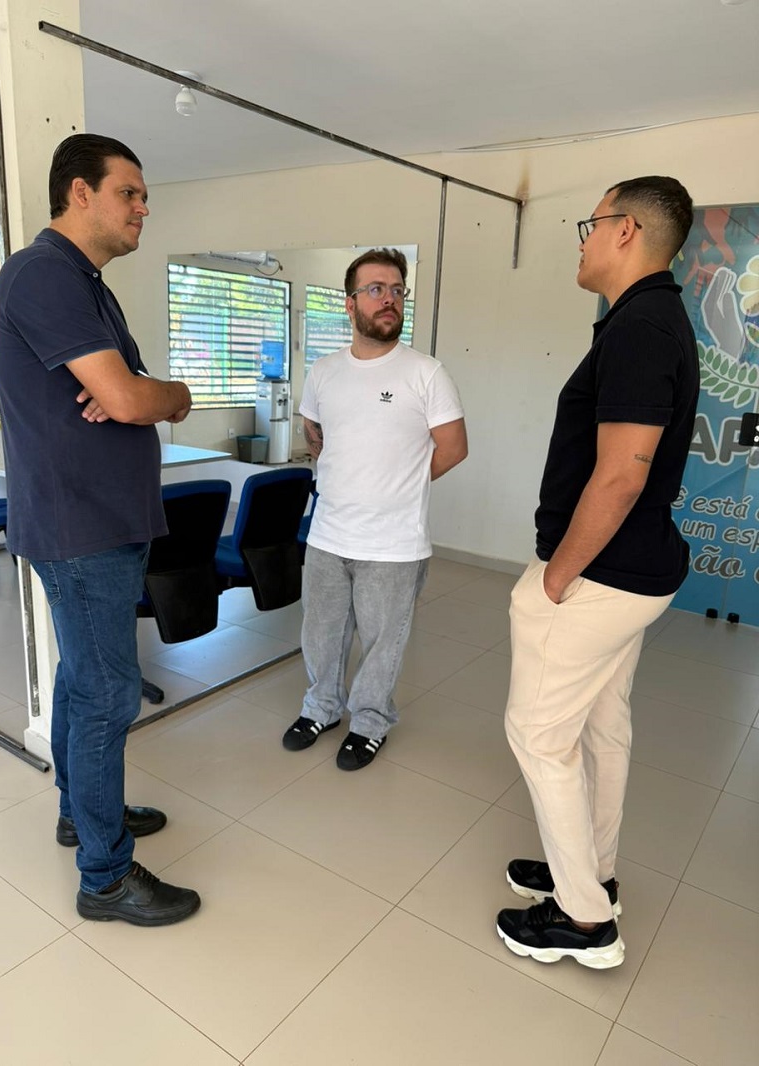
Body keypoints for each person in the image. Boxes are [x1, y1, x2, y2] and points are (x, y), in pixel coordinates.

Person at [0, 134, 200, 926]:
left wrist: (135, 393)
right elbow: (128, 397)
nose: (143, 208)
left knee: (83, 680)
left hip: (99, 519)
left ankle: (81, 814)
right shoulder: (44, 274)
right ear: (80, 193)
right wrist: (168, 395)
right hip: (82, 526)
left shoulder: (84, 281)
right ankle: (105, 877)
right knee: (109, 692)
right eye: (130, 193)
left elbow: (123, 393)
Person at [496, 176, 698, 968]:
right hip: (635, 570)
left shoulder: (641, 327)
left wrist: (556, 578)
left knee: (538, 735)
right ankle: (593, 875)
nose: (582, 240)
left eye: (591, 223)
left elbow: (620, 475)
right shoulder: (647, 318)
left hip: (599, 575)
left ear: (626, 231)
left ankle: (584, 922)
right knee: (603, 727)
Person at [283, 248, 468, 770]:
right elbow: (313, 428)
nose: (389, 299)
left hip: (393, 544)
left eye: (397, 290)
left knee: (382, 643)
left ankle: (369, 722)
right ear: (350, 303)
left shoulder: (426, 373)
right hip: (327, 535)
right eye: (376, 289)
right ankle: (321, 708)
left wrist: (398, 484)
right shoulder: (324, 371)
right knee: (320, 635)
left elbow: (453, 448)